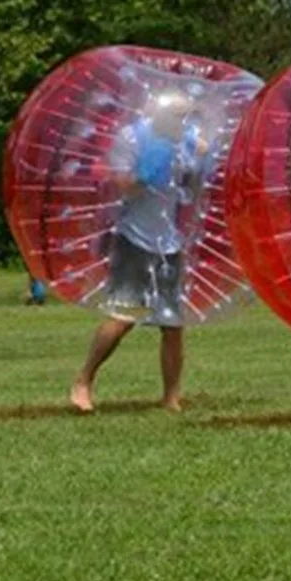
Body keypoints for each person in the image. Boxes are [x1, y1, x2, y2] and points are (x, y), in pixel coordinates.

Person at [71, 89, 206, 413]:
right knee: (123, 316)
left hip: (169, 242)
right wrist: (147, 173)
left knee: (172, 323)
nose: (183, 122)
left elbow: (193, 186)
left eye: (186, 116)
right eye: (177, 116)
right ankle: (83, 380)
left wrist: (200, 163)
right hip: (134, 238)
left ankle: (171, 397)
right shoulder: (132, 137)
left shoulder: (186, 141)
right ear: (159, 113)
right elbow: (122, 185)